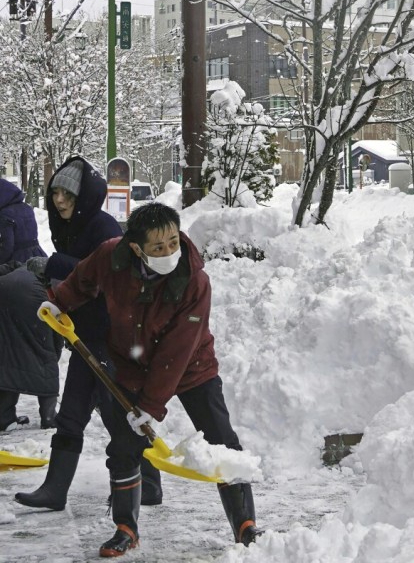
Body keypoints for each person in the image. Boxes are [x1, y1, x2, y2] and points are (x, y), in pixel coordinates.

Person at [39, 202, 261, 557]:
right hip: (132, 364)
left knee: (222, 440)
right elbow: (83, 279)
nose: (169, 251)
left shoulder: (194, 280)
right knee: (124, 446)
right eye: (158, 247)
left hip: (191, 367)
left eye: (173, 241)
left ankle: (245, 524)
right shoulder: (111, 257)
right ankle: (126, 527)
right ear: (135, 248)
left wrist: (150, 406)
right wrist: (59, 301)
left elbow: (178, 350)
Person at [15, 157, 164, 511]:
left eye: (67, 194)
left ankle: (150, 483)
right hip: (85, 335)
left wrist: (54, 266)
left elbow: (106, 278)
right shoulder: (71, 228)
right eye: (55, 194)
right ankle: (55, 490)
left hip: (111, 338)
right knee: (73, 414)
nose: (60, 201)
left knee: (117, 414)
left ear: (83, 196)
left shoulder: (104, 227)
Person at [0, 179, 59, 431]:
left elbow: (6, 247)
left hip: (13, 273)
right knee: (44, 350)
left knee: (8, 350)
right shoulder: (25, 208)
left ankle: (5, 415)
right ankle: (47, 416)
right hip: (36, 263)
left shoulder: (4, 215)